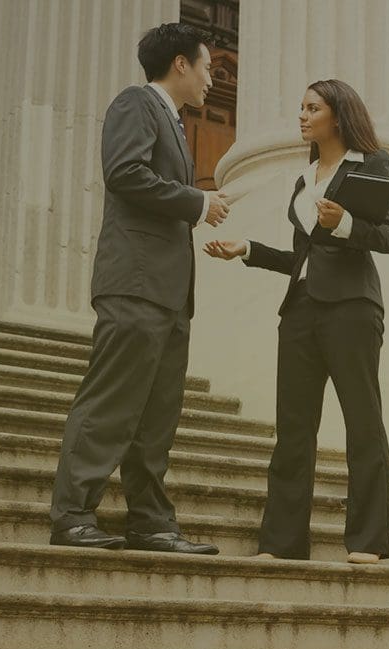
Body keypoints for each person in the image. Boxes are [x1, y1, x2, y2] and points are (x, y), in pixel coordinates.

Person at [49, 22, 230, 555]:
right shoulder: (136, 103)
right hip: (134, 283)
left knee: (156, 417)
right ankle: (72, 515)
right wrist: (198, 203)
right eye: (206, 67)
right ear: (180, 63)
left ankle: (149, 521)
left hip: (169, 294)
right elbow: (124, 172)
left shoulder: (172, 121)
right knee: (111, 402)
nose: (210, 81)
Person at [203, 79, 389, 564]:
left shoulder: (371, 164)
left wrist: (346, 223)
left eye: (312, 108)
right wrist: (247, 248)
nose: (302, 115)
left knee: (363, 422)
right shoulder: (305, 178)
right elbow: (300, 256)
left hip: (353, 307)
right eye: (301, 107)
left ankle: (369, 542)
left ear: (337, 115)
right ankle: (282, 543)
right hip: (299, 309)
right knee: (293, 429)